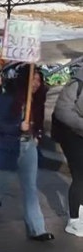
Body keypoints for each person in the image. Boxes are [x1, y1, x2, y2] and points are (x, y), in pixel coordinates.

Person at [0, 63, 54, 241]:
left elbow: (38, 122)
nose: (36, 84)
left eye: (39, 81)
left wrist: (37, 134)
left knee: (30, 188)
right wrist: (18, 126)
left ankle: (37, 228)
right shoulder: (7, 98)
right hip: (8, 147)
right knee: (1, 183)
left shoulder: (37, 100)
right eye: (33, 80)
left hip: (28, 146)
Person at [51, 64, 83, 237]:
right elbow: (63, 111)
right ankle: (74, 220)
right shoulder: (77, 84)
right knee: (80, 175)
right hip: (69, 133)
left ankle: (81, 214)